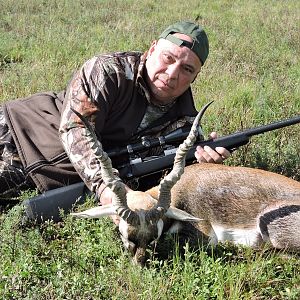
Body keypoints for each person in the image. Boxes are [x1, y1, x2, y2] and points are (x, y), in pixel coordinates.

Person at [0, 21, 230, 207]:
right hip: (18, 133)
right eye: (167, 58)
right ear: (151, 50)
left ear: (195, 77)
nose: (171, 74)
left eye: (187, 69)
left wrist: (202, 166)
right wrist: (108, 188)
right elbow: (76, 128)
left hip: (54, 176)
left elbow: (166, 183)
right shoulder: (109, 71)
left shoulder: (187, 127)